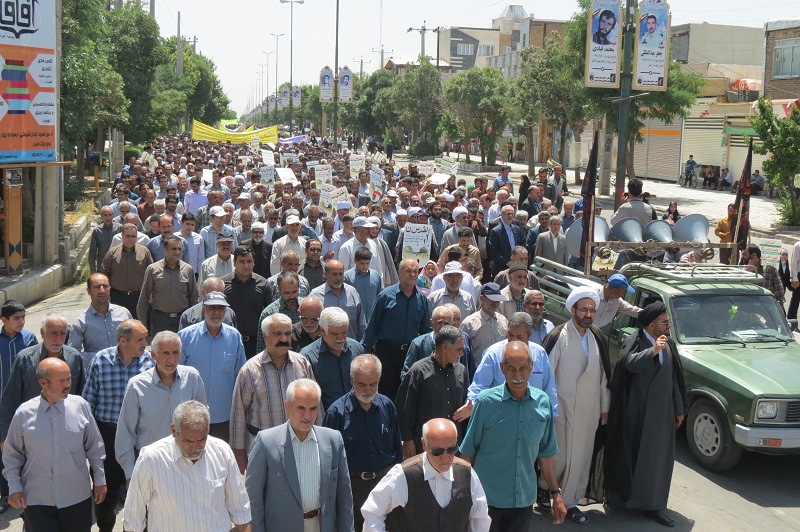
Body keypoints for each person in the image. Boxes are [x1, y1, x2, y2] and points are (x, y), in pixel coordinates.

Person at [460, 341, 566, 530]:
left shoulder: (543, 403)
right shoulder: (486, 403)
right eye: (511, 369)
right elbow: (468, 453)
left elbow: (546, 454)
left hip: (523, 502)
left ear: (532, 367)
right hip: (486, 500)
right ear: (502, 368)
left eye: (523, 369)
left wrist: (555, 494)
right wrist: (463, 497)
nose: (518, 376)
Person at [606, 302, 687, 527]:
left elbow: (673, 379)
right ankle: (626, 498)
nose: (668, 326)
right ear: (652, 325)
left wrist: (679, 409)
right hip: (636, 412)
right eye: (664, 322)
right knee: (632, 456)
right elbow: (627, 364)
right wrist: (652, 351)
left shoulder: (668, 343)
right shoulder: (636, 340)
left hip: (662, 415)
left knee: (658, 462)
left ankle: (654, 505)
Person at [3, 358, 107, 532]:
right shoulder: (23, 413)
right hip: (37, 500)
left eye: (69, 379)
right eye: (61, 381)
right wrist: (14, 488)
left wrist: (100, 480)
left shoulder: (80, 406)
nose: (67, 385)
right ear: (43, 382)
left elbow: (95, 448)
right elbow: (12, 455)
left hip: (76, 498)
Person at [123, 400, 252, 532]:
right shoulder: (151, 459)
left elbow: (241, 511)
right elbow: (133, 519)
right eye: (188, 440)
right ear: (174, 430)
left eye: (202, 439)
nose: (196, 447)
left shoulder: (222, 452)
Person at [540, 287, 611, 524]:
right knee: (560, 457)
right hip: (562, 407)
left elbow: (603, 375)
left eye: (592, 310)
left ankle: (570, 502)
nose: (588, 314)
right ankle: (546, 487)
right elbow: (547, 375)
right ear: (573, 310)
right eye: (584, 310)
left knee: (581, 457)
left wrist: (604, 406)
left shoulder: (597, 336)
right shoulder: (558, 336)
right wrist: (547, 407)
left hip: (589, 410)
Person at [245, 379, 354, 532]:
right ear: (287, 407)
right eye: (301, 408)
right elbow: (253, 499)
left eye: (313, 408)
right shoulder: (266, 442)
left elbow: (344, 498)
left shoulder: (333, 440)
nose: (307, 416)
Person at [81, 318, 153, 532]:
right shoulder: (101, 361)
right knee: (106, 489)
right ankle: (105, 527)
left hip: (139, 437)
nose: (145, 344)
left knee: (141, 488)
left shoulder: (150, 362)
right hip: (108, 435)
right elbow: (88, 403)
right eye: (140, 339)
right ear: (123, 341)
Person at [361, 418, 491, 531]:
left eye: (452, 449)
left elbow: (480, 518)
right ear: (424, 444)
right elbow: (372, 511)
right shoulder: (404, 474)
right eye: (437, 451)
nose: (445, 458)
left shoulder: (467, 474)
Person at [323, 354, 403, 532]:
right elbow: (327, 461)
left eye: (373, 384)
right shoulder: (336, 413)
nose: (368, 390)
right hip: (351, 487)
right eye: (362, 384)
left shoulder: (388, 406)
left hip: (383, 483)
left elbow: (397, 450)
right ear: (352, 380)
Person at [115, 331, 206, 483]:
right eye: (165, 353)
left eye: (175, 352)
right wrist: (130, 473)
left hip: (188, 462)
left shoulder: (192, 378)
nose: (171, 359)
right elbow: (125, 432)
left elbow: (203, 421)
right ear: (153, 355)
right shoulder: (137, 386)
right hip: (151, 464)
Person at [230, 313, 316, 474]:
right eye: (277, 334)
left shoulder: (302, 364)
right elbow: (239, 415)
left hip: (299, 446)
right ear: (265, 336)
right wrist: (240, 454)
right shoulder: (249, 370)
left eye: (287, 333)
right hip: (263, 450)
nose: (284, 338)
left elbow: (316, 405)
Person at [0, 313, 86, 444]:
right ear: (42, 332)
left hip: (67, 430)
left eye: (62, 333)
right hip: (32, 433)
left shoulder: (74, 358)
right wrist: (5, 438)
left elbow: (82, 397)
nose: (58, 339)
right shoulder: (25, 359)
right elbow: (10, 400)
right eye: (53, 333)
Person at [178, 292, 246, 441]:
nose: (216, 312)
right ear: (203, 310)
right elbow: (176, 375)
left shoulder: (234, 337)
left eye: (220, 308)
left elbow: (241, 376)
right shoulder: (185, 336)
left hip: (223, 415)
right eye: (212, 308)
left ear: (226, 311)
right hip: (190, 414)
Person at [362, 259, 432, 402]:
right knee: (385, 393)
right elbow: (372, 326)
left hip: (410, 355)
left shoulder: (421, 299)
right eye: (408, 271)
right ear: (399, 273)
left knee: (406, 394)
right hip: (386, 353)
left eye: (415, 271)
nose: (412, 274)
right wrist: (365, 352)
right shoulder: (385, 296)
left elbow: (426, 331)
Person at [396, 325, 470, 457]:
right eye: (458, 350)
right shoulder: (419, 371)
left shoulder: (461, 370)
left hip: (453, 448)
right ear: (445, 347)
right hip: (424, 447)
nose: (462, 354)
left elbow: (465, 402)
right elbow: (405, 408)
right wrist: (407, 440)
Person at [0, 300, 37, 513]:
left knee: (27, 447)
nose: (21, 322)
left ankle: (28, 489)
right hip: (3, 405)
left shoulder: (30, 339)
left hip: (24, 404)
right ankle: (6, 493)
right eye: (16, 318)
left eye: (23, 317)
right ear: (4, 320)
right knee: (5, 449)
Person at [301, 307, 365, 410]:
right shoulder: (307, 358)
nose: (340, 339)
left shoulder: (357, 350)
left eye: (344, 332)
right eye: (334, 334)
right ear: (322, 330)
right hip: (327, 421)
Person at [137, 234, 198, 339]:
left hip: (182, 320)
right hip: (160, 321)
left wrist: (193, 322)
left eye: (179, 249)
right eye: (173, 249)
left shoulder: (188, 269)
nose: (177, 252)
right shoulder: (153, 269)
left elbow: (194, 298)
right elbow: (143, 299)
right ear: (165, 250)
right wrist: (142, 324)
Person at [222, 245, 272, 358]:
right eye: (241, 261)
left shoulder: (263, 284)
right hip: (229, 340)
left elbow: (270, 312)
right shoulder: (223, 284)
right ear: (234, 262)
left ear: (254, 262)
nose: (246, 265)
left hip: (255, 342)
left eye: (249, 261)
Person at [100, 224, 154, 317]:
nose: (130, 238)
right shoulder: (112, 253)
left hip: (139, 297)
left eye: (133, 236)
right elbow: (104, 274)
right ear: (122, 236)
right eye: (127, 236)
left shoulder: (144, 252)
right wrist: (106, 294)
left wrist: (151, 293)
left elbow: (152, 274)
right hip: (117, 297)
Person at [309, 260, 367, 341]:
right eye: (334, 274)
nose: (338, 278)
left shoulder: (352, 292)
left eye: (341, 274)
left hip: (351, 348)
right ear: (325, 274)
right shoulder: (315, 296)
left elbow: (361, 324)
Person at [461, 283, 509, 365]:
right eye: (492, 300)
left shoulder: (503, 321)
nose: (495, 304)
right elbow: (462, 352)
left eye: (497, 300)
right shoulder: (469, 323)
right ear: (482, 298)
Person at [488, 205, 525, 279]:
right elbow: (494, 251)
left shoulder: (517, 229)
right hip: (502, 267)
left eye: (512, 214)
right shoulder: (495, 231)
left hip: (517, 265)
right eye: (508, 214)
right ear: (502, 215)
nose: (510, 216)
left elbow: (522, 245)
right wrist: (508, 263)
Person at [344, 246, 383, 316]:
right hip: (354, 317)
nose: (365, 266)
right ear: (355, 261)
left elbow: (379, 297)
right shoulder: (347, 277)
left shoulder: (376, 276)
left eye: (367, 263)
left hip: (372, 317)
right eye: (362, 263)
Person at [747, 244, 785, 309]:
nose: (743, 257)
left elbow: (780, 292)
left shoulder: (769, 269)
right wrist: (748, 272)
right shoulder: (744, 270)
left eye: (745, 255)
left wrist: (780, 309)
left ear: (753, 255)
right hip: (750, 307)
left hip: (768, 308)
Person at [88, 206, 121, 274]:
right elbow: (92, 253)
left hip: (117, 267)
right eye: (105, 215)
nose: (108, 218)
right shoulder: (97, 231)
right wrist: (93, 270)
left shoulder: (120, 228)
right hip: (102, 268)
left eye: (110, 215)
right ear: (101, 216)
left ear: (113, 215)